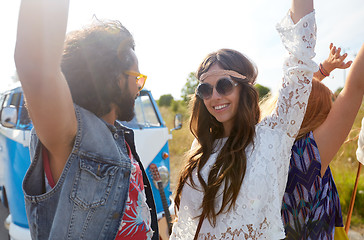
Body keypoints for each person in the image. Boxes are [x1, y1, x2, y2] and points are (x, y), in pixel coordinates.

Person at [171, 0, 316, 239]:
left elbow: (300, 60)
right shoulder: (201, 147)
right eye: (205, 90)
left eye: (224, 85)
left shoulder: (274, 134)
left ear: (243, 88)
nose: (214, 96)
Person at [14, 0, 159, 239]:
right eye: (137, 77)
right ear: (113, 77)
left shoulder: (119, 136)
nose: (139, 87)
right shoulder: (72, 134)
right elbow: (35, 65)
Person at [266, 42, 363, 239]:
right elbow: (356, 86)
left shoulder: (269, 145)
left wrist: (323, 70)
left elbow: (295, 101)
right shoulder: (307, 156)